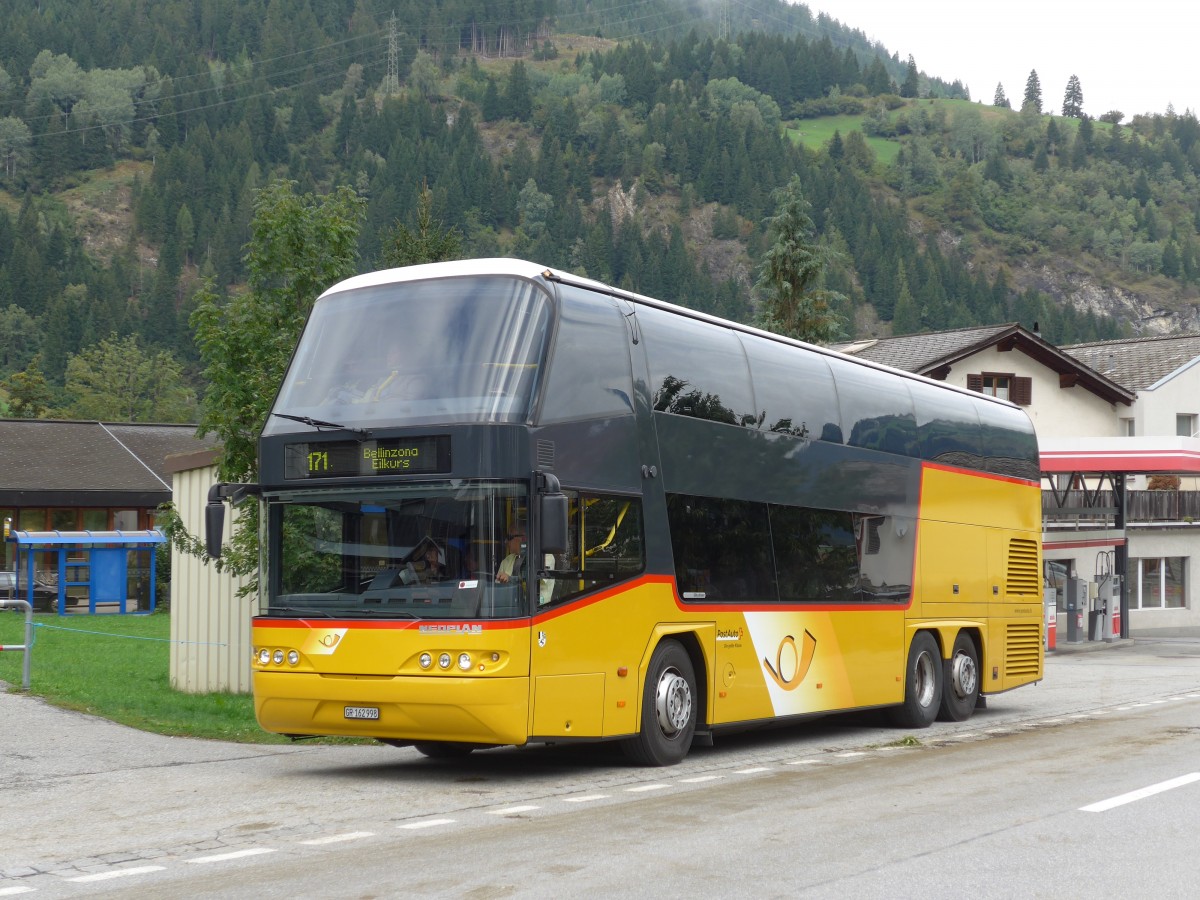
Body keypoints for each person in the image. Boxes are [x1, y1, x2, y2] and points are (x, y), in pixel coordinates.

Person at [496, 529, 555, 605]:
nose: (506, 542)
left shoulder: (546, 557)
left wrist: (510, 579)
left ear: (523, 538)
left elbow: (536, 579)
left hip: (539, 610)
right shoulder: (506, 561)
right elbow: (497, 589)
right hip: (511, 609)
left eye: (509, 537)